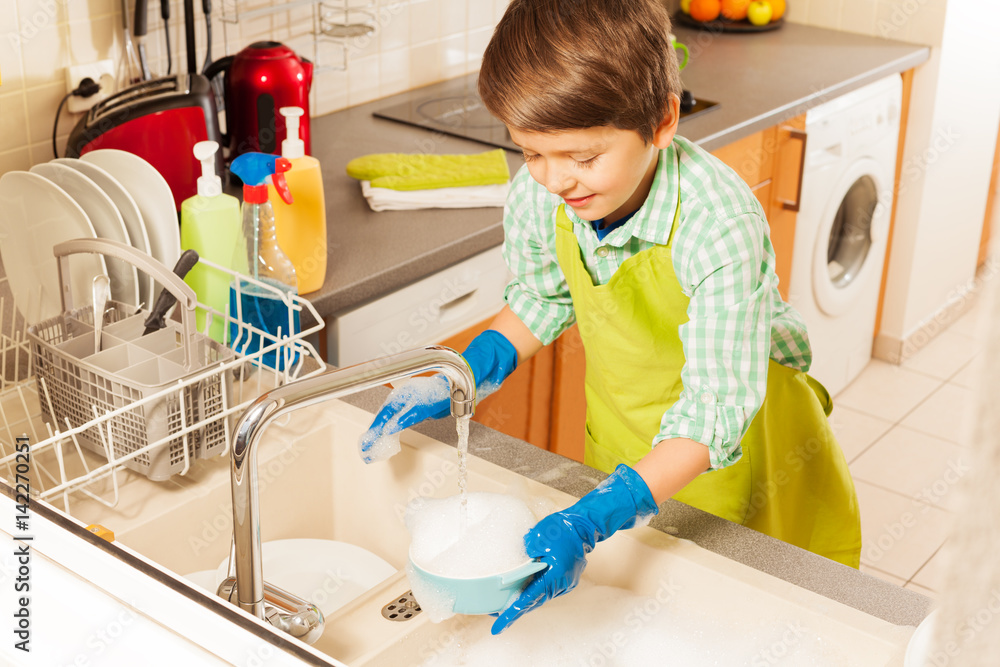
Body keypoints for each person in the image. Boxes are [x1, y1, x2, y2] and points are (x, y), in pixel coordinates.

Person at [359, 0, 861, 636]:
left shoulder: (717, 225)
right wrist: (463, 373)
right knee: (632, 617)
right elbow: (543, 299)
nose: (554, 180)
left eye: (583, 157)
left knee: (725, 628)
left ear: (662, 121)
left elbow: (712, 415)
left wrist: (592, 518)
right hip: (626, 436)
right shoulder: (542, 194)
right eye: (531, 152)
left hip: (740, 449)